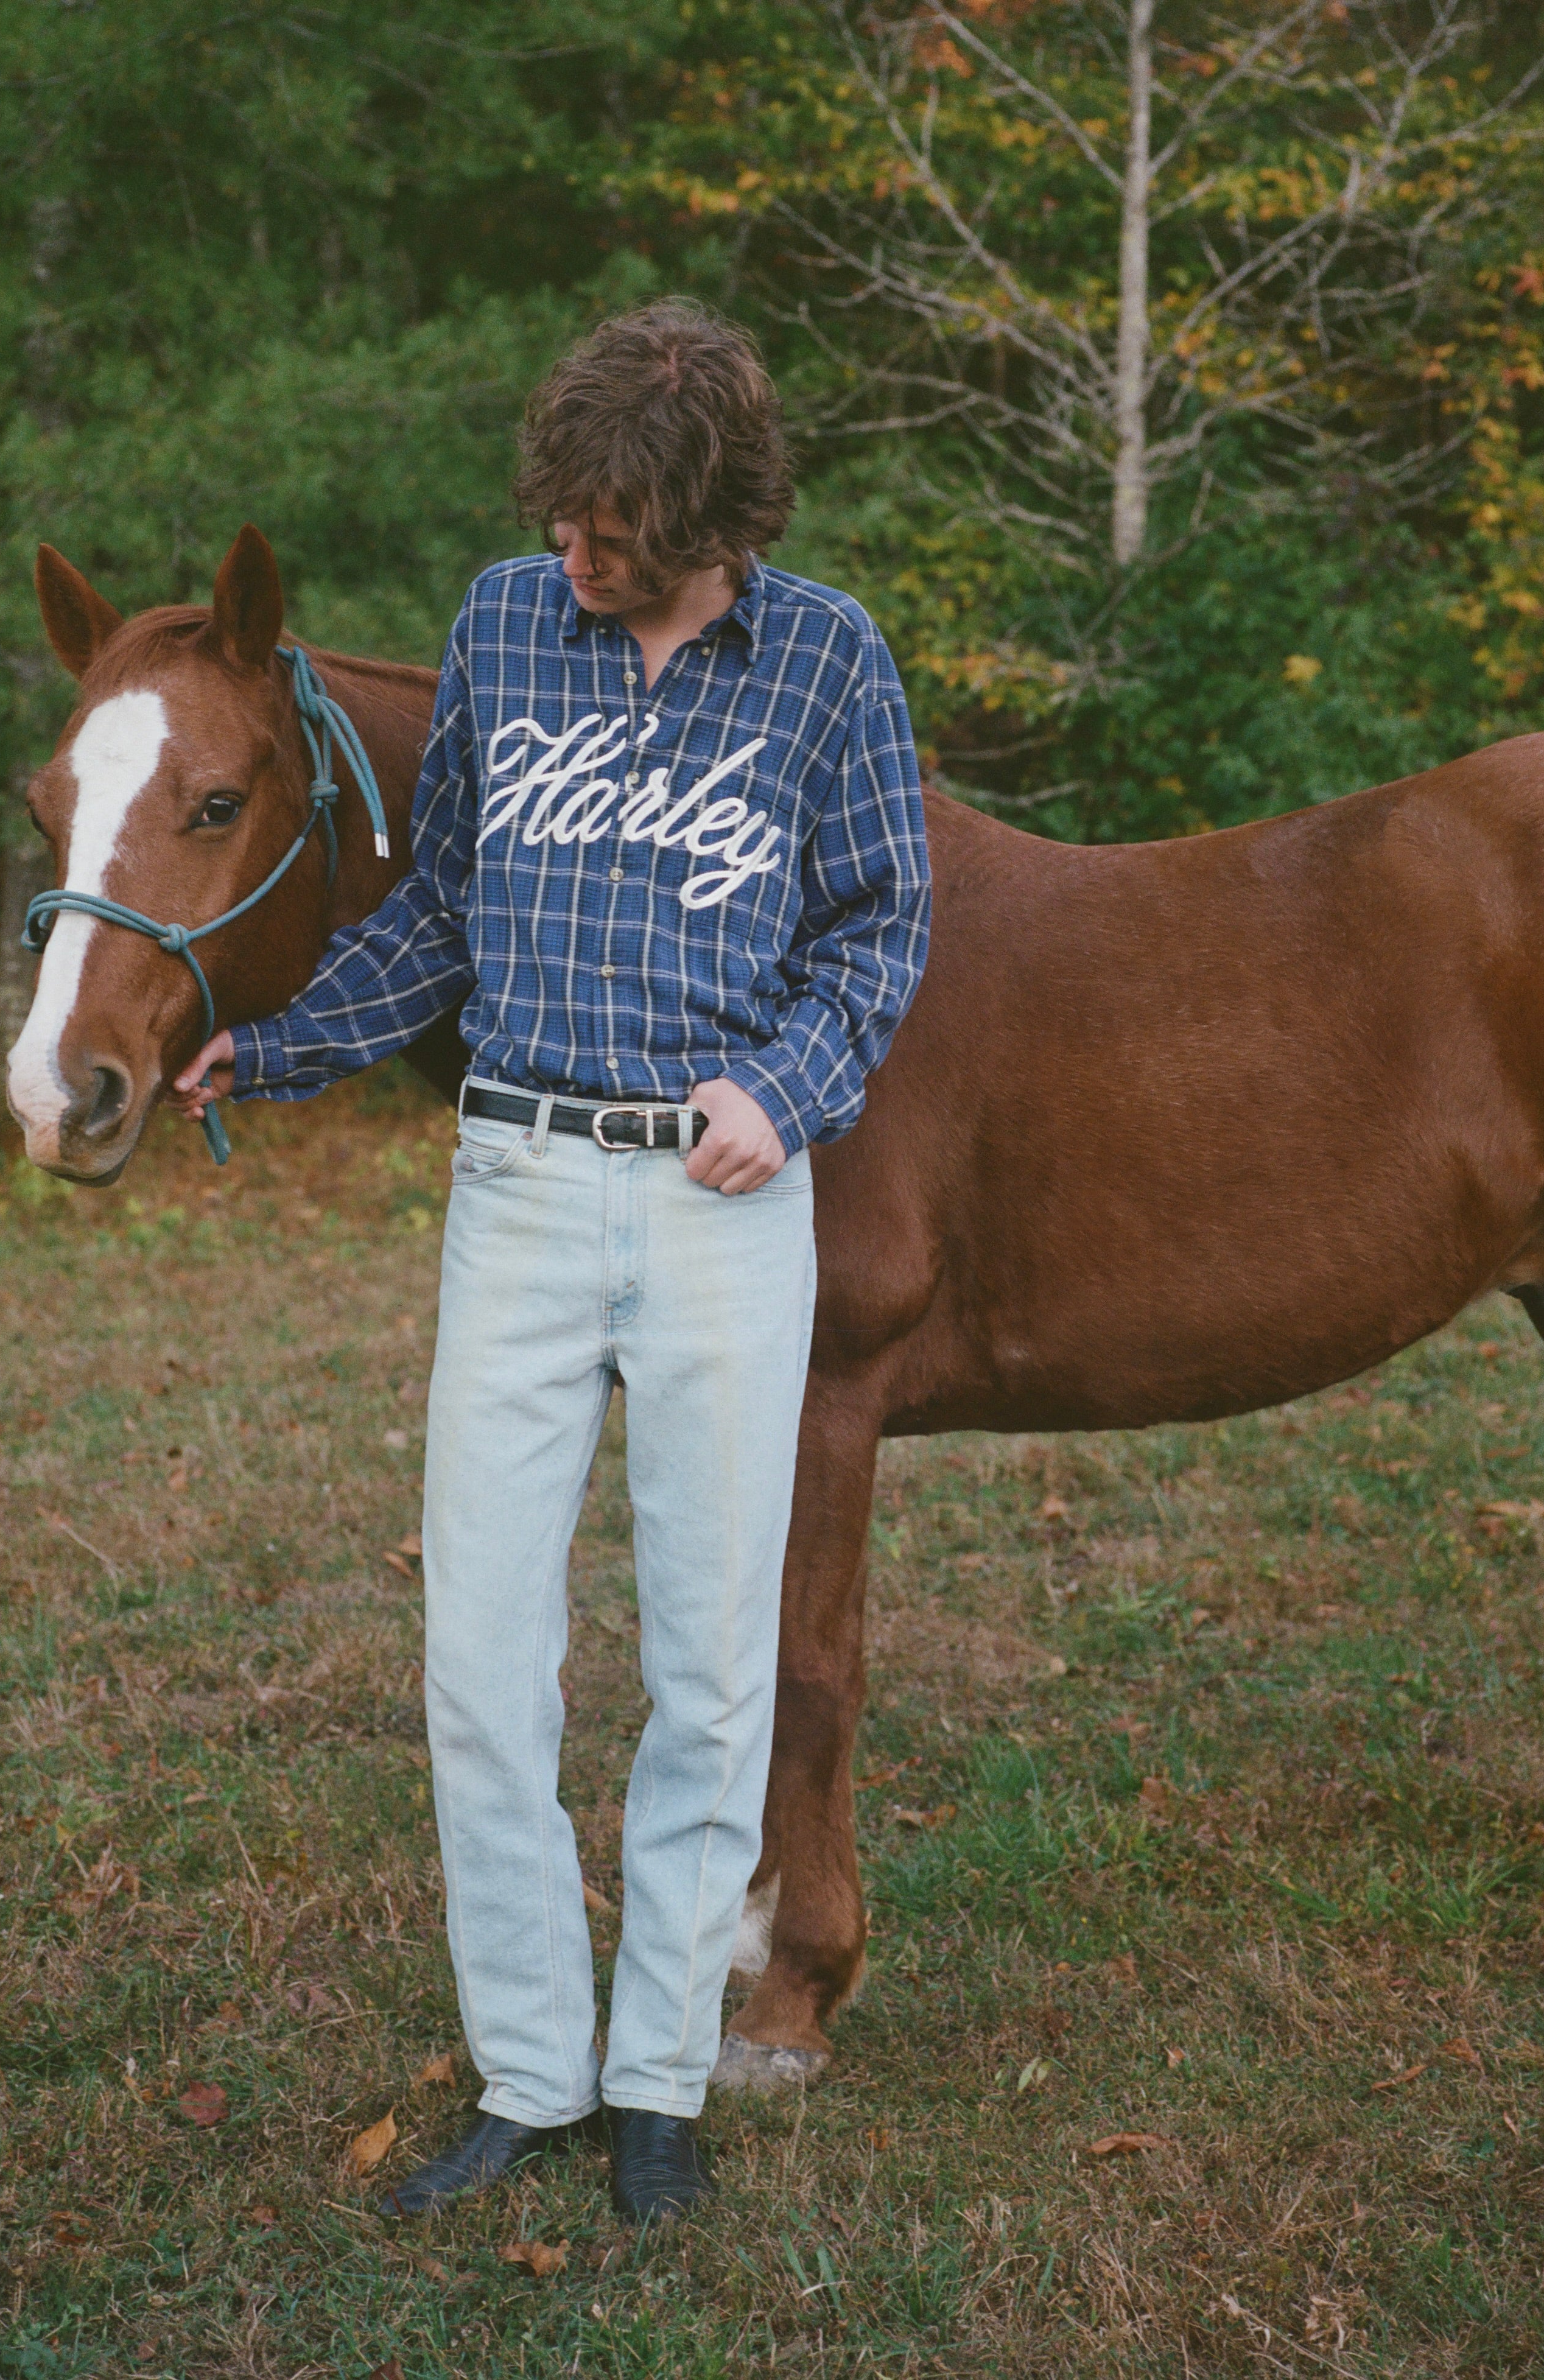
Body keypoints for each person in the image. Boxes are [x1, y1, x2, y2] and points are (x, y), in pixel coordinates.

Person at [174, 298, 930, 2222]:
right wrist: (278, 1042)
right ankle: (528, 2071)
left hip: (721, 1205)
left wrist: (794, 1081)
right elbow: (441, 908)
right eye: (564, 518)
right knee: (483, 1655)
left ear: (711, 516)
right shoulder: (509, 623)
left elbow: (878, 925)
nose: (575, 555)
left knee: (706, 1657)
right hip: (514, 1183)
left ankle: (660, 2076)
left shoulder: (830, 662)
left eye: (612, 531)